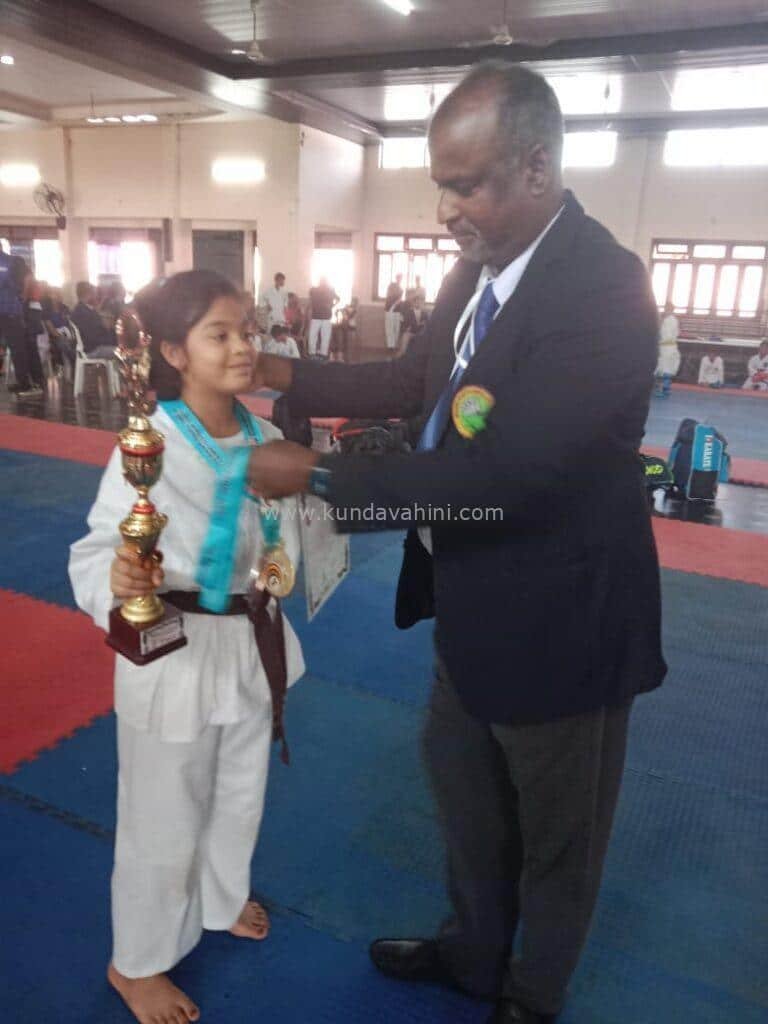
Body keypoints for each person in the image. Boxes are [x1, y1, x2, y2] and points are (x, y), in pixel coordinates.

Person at [244, 62, 665, 1024]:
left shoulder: (604, 289)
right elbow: (416, 381)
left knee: (558, 838)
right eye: (441, 183)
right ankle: (474, 955)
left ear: (537, 167)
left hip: (565, 623)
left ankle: (531, 997)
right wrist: (282, 369)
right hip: (470, 599)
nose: (446, 210)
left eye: (467, 184)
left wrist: (321, 478)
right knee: (467, 799)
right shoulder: (477, 267)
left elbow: (509, 477)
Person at [68, 270, 305, 1024]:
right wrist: (119, 576)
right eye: (219, 334)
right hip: (175, 650)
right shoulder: (151, 444)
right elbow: (96, 548)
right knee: (162, 812)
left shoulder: (267, 440)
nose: (242, 348)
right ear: (174, 351)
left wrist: (290, 543)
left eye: (248, 332)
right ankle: (136, 963)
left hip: (251, 641)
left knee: (239, 791)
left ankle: (219, 899)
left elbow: (285, 546)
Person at [0, 248, 43, 396]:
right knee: (17, 348)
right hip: (7, 311)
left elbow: (28, 278)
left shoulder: (13, 261)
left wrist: (22, 297)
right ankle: (24, 382)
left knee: (18, 348)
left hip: (10, 311)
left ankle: (26, 383)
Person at [71, 281, 117, 358]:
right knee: (123, 354)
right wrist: (109, 332)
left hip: (93, 346)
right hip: (92, 350)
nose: (97, 296)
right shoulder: (83, 313)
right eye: (95, 294)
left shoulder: (82, 309)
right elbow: (93, 339)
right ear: (89, 294)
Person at [307, 276, 338, 359]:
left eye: (324, 282)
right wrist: (309, 314)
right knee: (313, 336)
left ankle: (322, 354)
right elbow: (310, 302)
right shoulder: (313, 290)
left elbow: (338, 299)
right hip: (316, 317)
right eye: (322, 281)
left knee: (324, 337)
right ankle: (312, 353)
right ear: (320, 282)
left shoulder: (330, 290)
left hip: (326, 317)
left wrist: (332, 305)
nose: (323, 283)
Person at [655, 302, 681, 397]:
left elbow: (667, 335)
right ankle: (663, 389)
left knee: (666, 369)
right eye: (665, 309)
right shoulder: (667, 320)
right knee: (663, 368)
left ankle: (665, 390)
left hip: (668, 347)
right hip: (665, 347)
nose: (665, 310)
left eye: (667, 309)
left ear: (670, 309)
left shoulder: (671, 320)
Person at [384, 274, 404, 351]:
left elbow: (400, 299)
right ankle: (390, 346)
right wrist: (393, 305)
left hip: (397, 310)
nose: (399, 279)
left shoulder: (401, 289)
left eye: (400, 278)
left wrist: (397, 304)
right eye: (398, 277)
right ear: (396, 278)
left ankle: (394, 346)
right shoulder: (391, 285)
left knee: (396, 328)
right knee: (389, 328)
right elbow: (389, 295)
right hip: (389, 309)